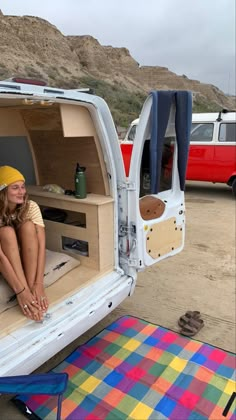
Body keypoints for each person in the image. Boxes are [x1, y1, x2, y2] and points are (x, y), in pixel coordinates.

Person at [0, 166, 48, 321]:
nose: (21, 192)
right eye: (15, 188)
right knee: (6, 231)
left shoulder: (31, 206)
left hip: (21, 253)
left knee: (28, 225)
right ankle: (27, 293)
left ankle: (31, 291)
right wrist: (21, 292)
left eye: (22, 187)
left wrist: (38, 284)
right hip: (4, 258)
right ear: (3, 191)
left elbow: (41, 245)